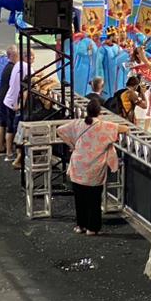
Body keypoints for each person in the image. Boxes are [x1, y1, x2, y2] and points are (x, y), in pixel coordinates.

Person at [56, 98, 129, 235]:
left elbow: (60, 130)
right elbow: (125, 128)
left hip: (78, 167)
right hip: (94, 169)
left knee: (80, 199)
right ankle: (92, 228)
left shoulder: (78, 123)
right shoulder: (104, 126)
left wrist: (72, 144)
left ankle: (81, 226)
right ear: (100, 112)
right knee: (94, 200)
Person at [0, 45, 16, 158]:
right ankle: (5, 146)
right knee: (5, 123)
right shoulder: (11, 65)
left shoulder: (1, 59)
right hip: (3, 93)